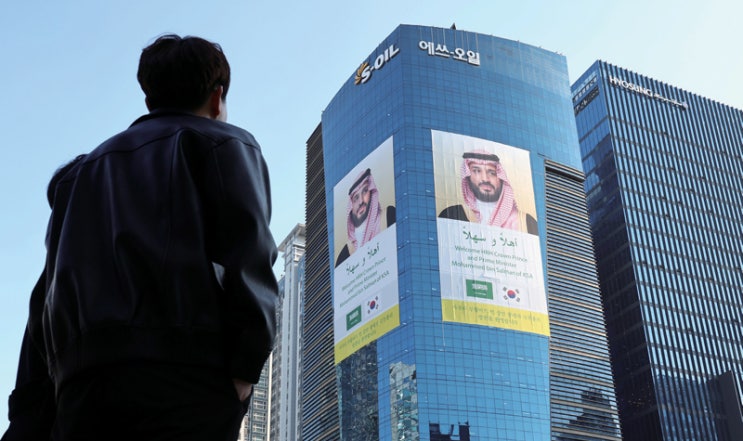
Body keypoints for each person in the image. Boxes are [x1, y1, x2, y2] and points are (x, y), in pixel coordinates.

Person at [10, 34, 279, 441]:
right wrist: (245, 370)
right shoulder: (223, 143)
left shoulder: (78, 175)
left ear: (149, 99)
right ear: (217, 97)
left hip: (80, 383)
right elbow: (251, 258)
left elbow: (45, 295)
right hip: (184, 375)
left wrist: (32, 404)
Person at [439, 151, 537, 234]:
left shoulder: (526, 222)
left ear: (501, 179)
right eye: (477, 171)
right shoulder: (451, 214)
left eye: (492, 173)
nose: (485, 179)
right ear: (468, 177)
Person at [335, 168, 395, 267]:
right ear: (351, 207)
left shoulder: (389, 216)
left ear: (371, 192)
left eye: (365, 191)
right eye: (356, 198)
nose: (361, 201)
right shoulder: (346, 253)